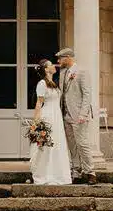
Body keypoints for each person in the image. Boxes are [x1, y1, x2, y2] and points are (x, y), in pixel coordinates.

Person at [57, 48, 97, 185]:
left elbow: (87, 94)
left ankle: (90, 172)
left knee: (82, 144)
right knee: (72, 145)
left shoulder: (82, 72)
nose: (58, 61)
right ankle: (76, 171)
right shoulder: (62, 73)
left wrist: (83, 114)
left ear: (68, 57)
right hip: (65, 115)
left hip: (79, 115)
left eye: (60, 58)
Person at [29, 59, 72, 185]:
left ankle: (58, 174)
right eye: (51, 65)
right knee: (48, 145)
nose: (54, 66)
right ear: (46, 69)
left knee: (57, 144)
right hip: (48, 116)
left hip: (56, 116)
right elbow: (39, 103)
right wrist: (36, 122)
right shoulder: (42, 83)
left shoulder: (53, 83)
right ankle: (45, 174)